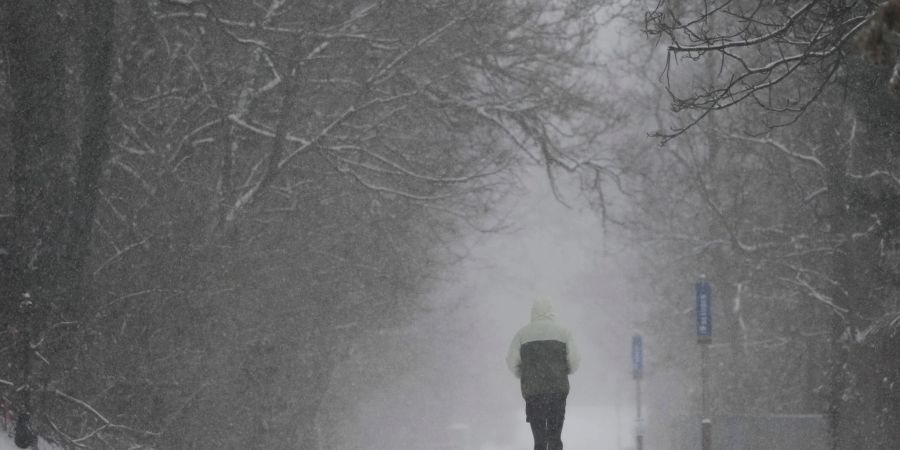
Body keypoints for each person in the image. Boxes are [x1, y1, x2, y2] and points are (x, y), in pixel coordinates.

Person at [506, 296, 580, 450]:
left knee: (539, 440)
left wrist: (522, 373)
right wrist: (565, 370)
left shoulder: (522, 334)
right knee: (555, 438)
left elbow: (511, 361)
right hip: (557, 392)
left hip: (534, 393)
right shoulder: (563, 332)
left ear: (533, 312)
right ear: (552, 312)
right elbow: (574, 360)